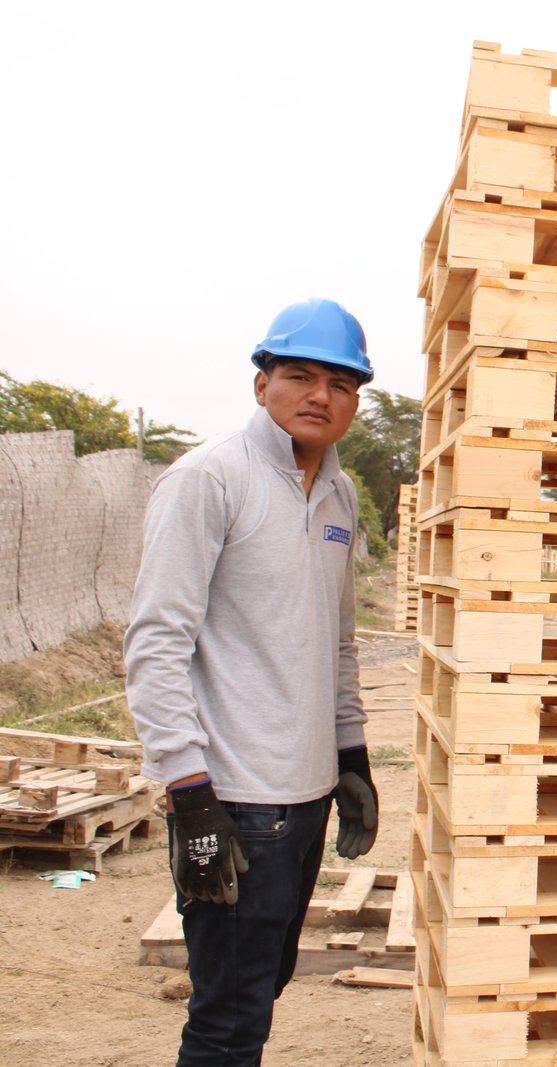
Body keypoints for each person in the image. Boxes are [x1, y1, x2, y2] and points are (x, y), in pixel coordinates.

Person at [124, 297, 381, 1066]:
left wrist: (351, 754)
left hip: (301, 803)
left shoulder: (340, 495)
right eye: (299, 376)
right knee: (227, 1016)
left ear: (355, 401)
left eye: (339, 384)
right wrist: (188, 792)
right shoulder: (209, 480)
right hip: (232, 798)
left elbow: (336, 640)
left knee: (263, 987)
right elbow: (155, 641)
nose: (319, 396)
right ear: (260, 384)